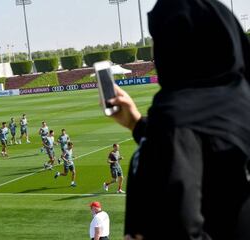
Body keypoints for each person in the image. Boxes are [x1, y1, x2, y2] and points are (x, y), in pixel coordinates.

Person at [107, 1, 250, 239]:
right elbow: (210, 153)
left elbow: (178, 230)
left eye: (159, 38)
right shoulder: (237, 104)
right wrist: (137, 124)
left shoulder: (177, 118)